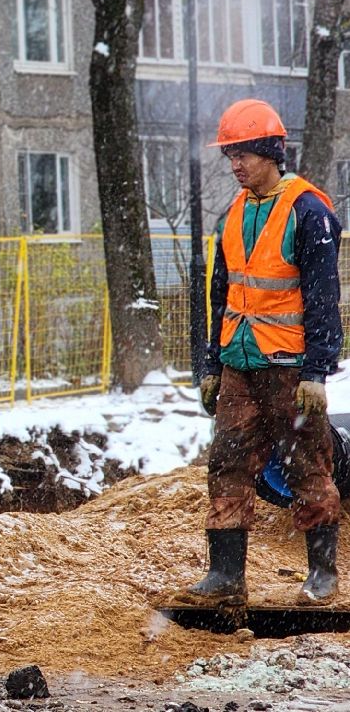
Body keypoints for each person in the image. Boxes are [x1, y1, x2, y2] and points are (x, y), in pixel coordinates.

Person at [189, 98, 342, 604]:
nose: (235, 164)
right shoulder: (232, 215)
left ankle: (322, 575)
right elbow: (220, 296)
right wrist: (211, 364)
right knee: (226, 464)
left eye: (244, 154)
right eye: (230, 155)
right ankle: (225, 577)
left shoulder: (308, 211)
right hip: (239, 362)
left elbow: (324, 299)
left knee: (306, 465)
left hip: (289, 367)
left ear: (272, 153)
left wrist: (316, 372)